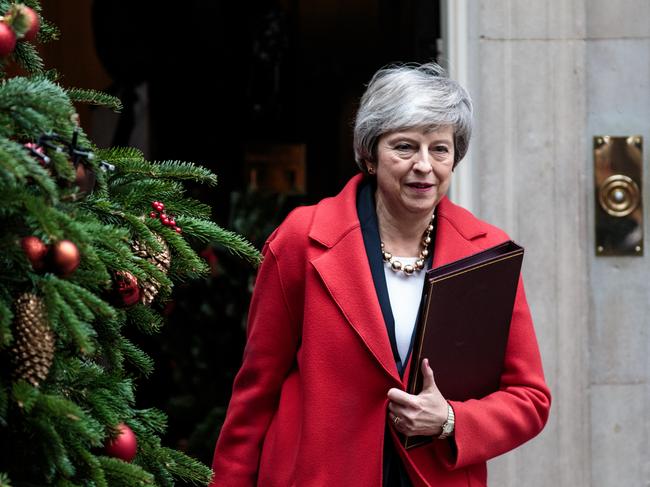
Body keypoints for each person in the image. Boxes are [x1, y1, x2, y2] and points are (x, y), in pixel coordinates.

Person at [209, 62, 551, 486]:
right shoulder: (301, 239)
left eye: (439, 149)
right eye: (405, 147)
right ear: (370, 155)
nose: (424, 166)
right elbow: (255, 396)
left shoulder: (487, 253)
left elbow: (530, 400)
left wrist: (449, 419)